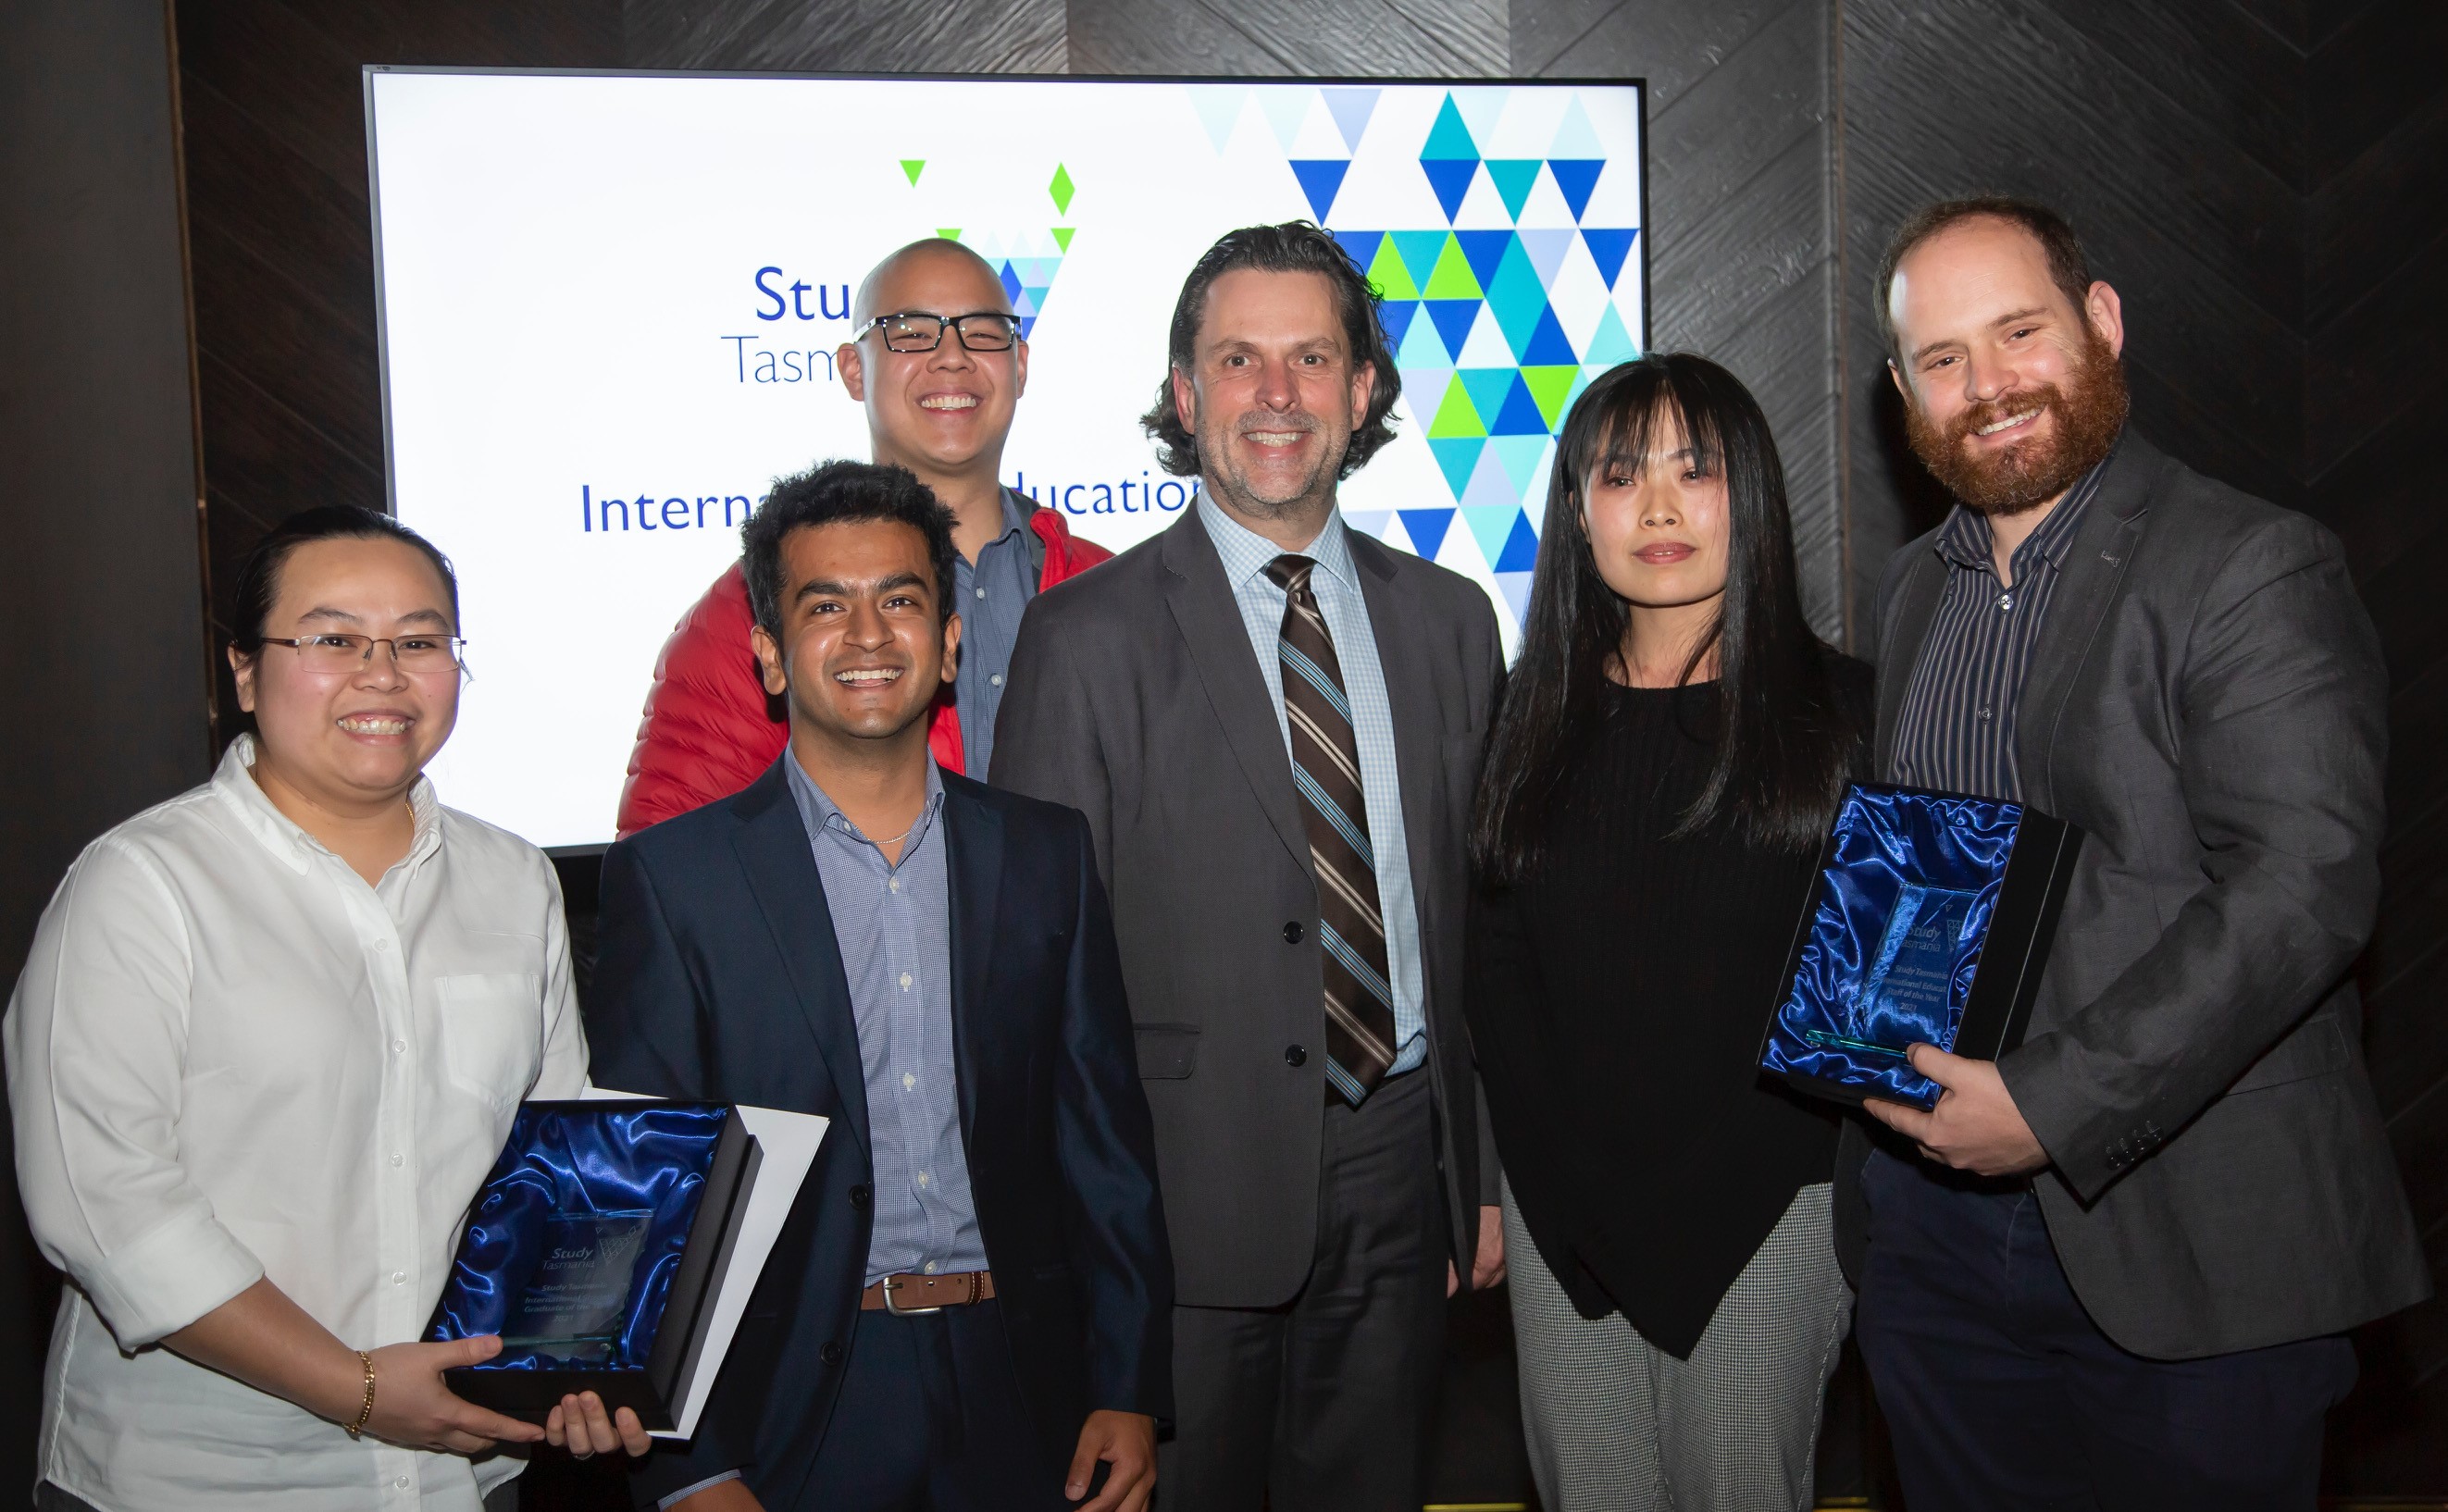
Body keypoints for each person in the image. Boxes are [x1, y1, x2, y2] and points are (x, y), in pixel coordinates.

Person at [1848, 195, 2429, 1509]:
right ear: (1903, 393)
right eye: (1942, 360)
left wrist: (2049, 1104)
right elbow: (1924, 869)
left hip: (2195, 1246)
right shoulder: (1911, 590)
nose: (1986, 385)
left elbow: (2302, 885)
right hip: (1934, 1245)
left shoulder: (2247, 563)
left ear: (2099, 323)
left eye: (2018, 333)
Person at [991, 220, 1503, 1512]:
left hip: (1400, 1175)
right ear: (1185, 394)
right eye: (1238, 360)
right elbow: (1033, 977)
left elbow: (1480, 927)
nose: (1277, 395)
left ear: (1364, 390)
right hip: (1175, 1203)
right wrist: (1083, 1256)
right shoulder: (1082, 637)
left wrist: (1477, 1178)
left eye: (1311, 359)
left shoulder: (1451, 622)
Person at [5, 506, 646, 1512]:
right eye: (333, 638)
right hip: (198, 1478)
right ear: (246, 672)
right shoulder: (142, 885)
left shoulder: (511, 880)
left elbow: (556, 1152)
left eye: (420, 641)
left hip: (459, 1472)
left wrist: (583, 1363)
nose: (382, 673)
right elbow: (104, 1201)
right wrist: (353, 1388)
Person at [584, 460, 1172, 1512]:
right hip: (796, 1402)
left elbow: (1104, 1148)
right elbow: (644, 1198)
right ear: (767, 653)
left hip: (1022, 1382)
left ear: (948, 641)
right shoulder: (675, 882)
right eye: (824, 606)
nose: (866, 635)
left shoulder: (1043, 853)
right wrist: (691, 1465)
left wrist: (1128, 1384)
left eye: (899, 599)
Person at [1466, 353, 1868, 1511]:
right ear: (1575, 509)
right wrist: (1561, 1189)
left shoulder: (1846, 714)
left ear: (1751, 493)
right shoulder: (1522, 720)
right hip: (1561, 1212)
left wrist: (1713, 1191)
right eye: (1618, 473)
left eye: (1695, 472)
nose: (1654, 507)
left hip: (1765, 1208)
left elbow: (1862, 1011)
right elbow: (1496, 980)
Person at [615, 237, 1111, 835]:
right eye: (910, 330)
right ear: (854, 369)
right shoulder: (750, 604)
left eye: (981, 330)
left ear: (1020, 364)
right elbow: (669, 867)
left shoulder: (1109, 587)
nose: (951, 356)